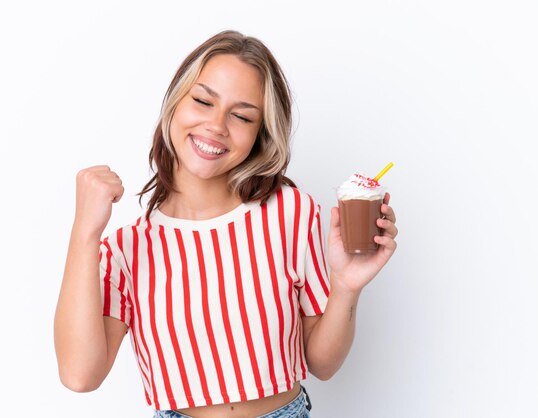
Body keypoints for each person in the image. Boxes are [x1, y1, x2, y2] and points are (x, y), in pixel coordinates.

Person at [54, 30, 398, 418]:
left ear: (259, 134)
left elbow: (322, 363)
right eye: (203, 100)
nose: (216, 125)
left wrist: (346, 288)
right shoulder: (126, 249)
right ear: (173, 104)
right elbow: (80, 375)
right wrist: (85, 233)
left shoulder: (291, 211)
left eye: (242, 115)